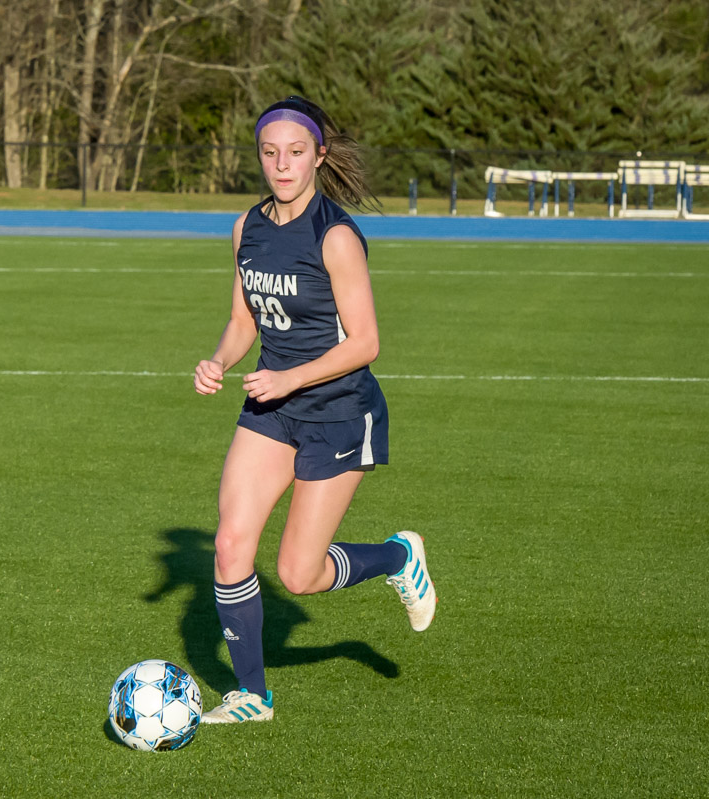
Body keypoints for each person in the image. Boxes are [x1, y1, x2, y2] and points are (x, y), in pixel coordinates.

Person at [192, 96, 437, 724]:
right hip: (271, 409)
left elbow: (366, 343)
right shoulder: (247, 227)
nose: (282, 165)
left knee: (299, 575)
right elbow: (243, 316)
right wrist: (219, 359)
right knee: (229, 546)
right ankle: (251, 695)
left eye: (296, 153)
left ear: (318, 156)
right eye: (270, 153)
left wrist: (288, 377)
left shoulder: (335, 235)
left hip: (337, 410)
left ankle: (398, 557)